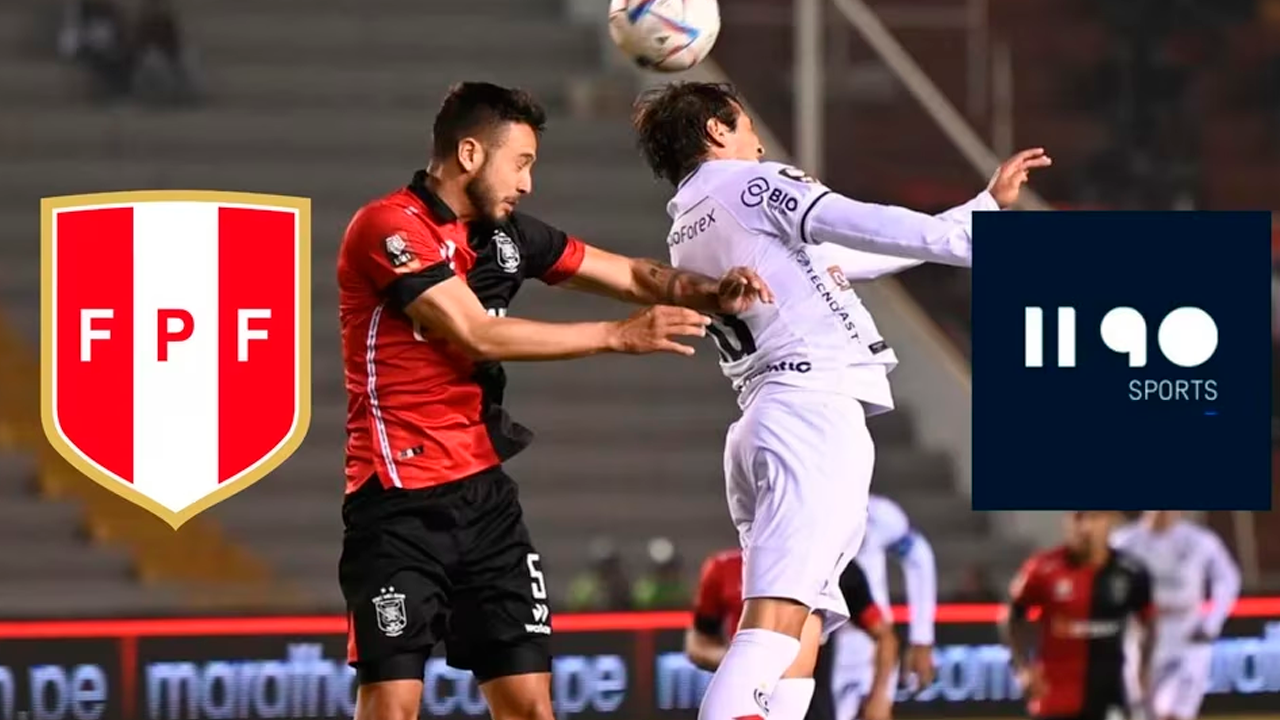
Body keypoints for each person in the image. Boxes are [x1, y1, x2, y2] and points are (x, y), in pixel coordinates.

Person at [337, 81, 773, 720]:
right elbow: (475, 332)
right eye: (520, 163)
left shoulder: (507, 236)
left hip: (485, 501)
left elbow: (630, 273)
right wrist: (616, 336)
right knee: (393, 704)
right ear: (469, 154)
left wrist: (712, 292)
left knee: (530, 705)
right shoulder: (389, 228)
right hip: (397, 504)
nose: (527, 183)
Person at [630, 80, 1050, 720]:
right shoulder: (750, 185)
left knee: (800, 636)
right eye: (746, 126)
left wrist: (981, 209)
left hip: (771, 417)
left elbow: (852, 254)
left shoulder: (691, 226)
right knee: (773, 629)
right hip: (808, 413)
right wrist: (977, 240)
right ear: (716, 130)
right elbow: (861, 221)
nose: (759, 143)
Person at [687, 549, 898, 720]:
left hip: (810, 701)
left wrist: (880, 697)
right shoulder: (723, 568)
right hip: (749, 696)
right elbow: (698, 644)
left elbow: (885, 636)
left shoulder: (838, 568)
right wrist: (741, 663)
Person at [1001, 512, 1155, 720]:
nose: (1085, 528)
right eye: (1078, 518)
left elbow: (1149, 621)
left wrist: (1144, 668)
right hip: (1054, 698)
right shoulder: (1042, 568)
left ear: (1109, 521)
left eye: (1094, 518)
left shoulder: (1131, 572)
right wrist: (1023, 667)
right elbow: (1013, 617)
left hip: (1109, 697)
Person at [1111, 511, 1241, 720]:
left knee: (1174, 712)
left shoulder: (1200, 541)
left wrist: (1211, 624)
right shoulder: (1122, 542)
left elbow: (1228, 579)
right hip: (1140, 637)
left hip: (1186, 636)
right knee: (1140, 712)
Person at [832, 495, 937, 720]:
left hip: (872, 643)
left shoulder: (879, 515)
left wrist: (922, 638)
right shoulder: (806, 509)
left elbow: (919, 556)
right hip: (822, 642)